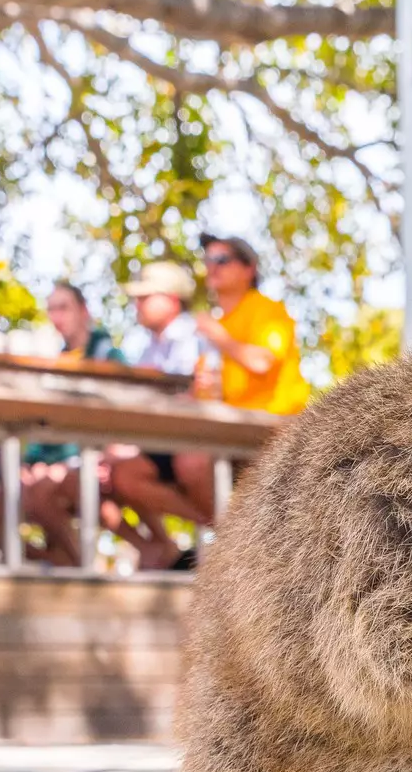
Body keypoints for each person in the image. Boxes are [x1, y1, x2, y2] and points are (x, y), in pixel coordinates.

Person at [0, 282, 114, 566]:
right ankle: (58, 564)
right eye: (51, 309)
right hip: (45, 465)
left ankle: (81, 568)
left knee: (41, 491)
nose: (56, 316)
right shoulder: (55, 362)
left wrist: (104, 455)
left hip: (88, 462)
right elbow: (42, 423)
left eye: (64, 307)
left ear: (83, 310)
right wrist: (29, 463)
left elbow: (123, 417)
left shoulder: (108, 357)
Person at [102, 261, 216, 567]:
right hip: (162, 442)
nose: (136, 304)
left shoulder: (198, 336)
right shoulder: (146, 347)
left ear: (172, 299)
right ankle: (221, 532)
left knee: (191, 463)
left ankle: (228, 535)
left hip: (200, 442)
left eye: (145, 296)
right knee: (123, 475)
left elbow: (198, 397)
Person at [196, 234, 310, 416]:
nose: (212, 266)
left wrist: (220, 337)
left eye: (222, 260)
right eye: (207, 259)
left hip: (280, 426)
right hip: (232, 425)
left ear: (249, 269)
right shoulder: (217, 323)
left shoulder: (268, 309)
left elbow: (262, 362)